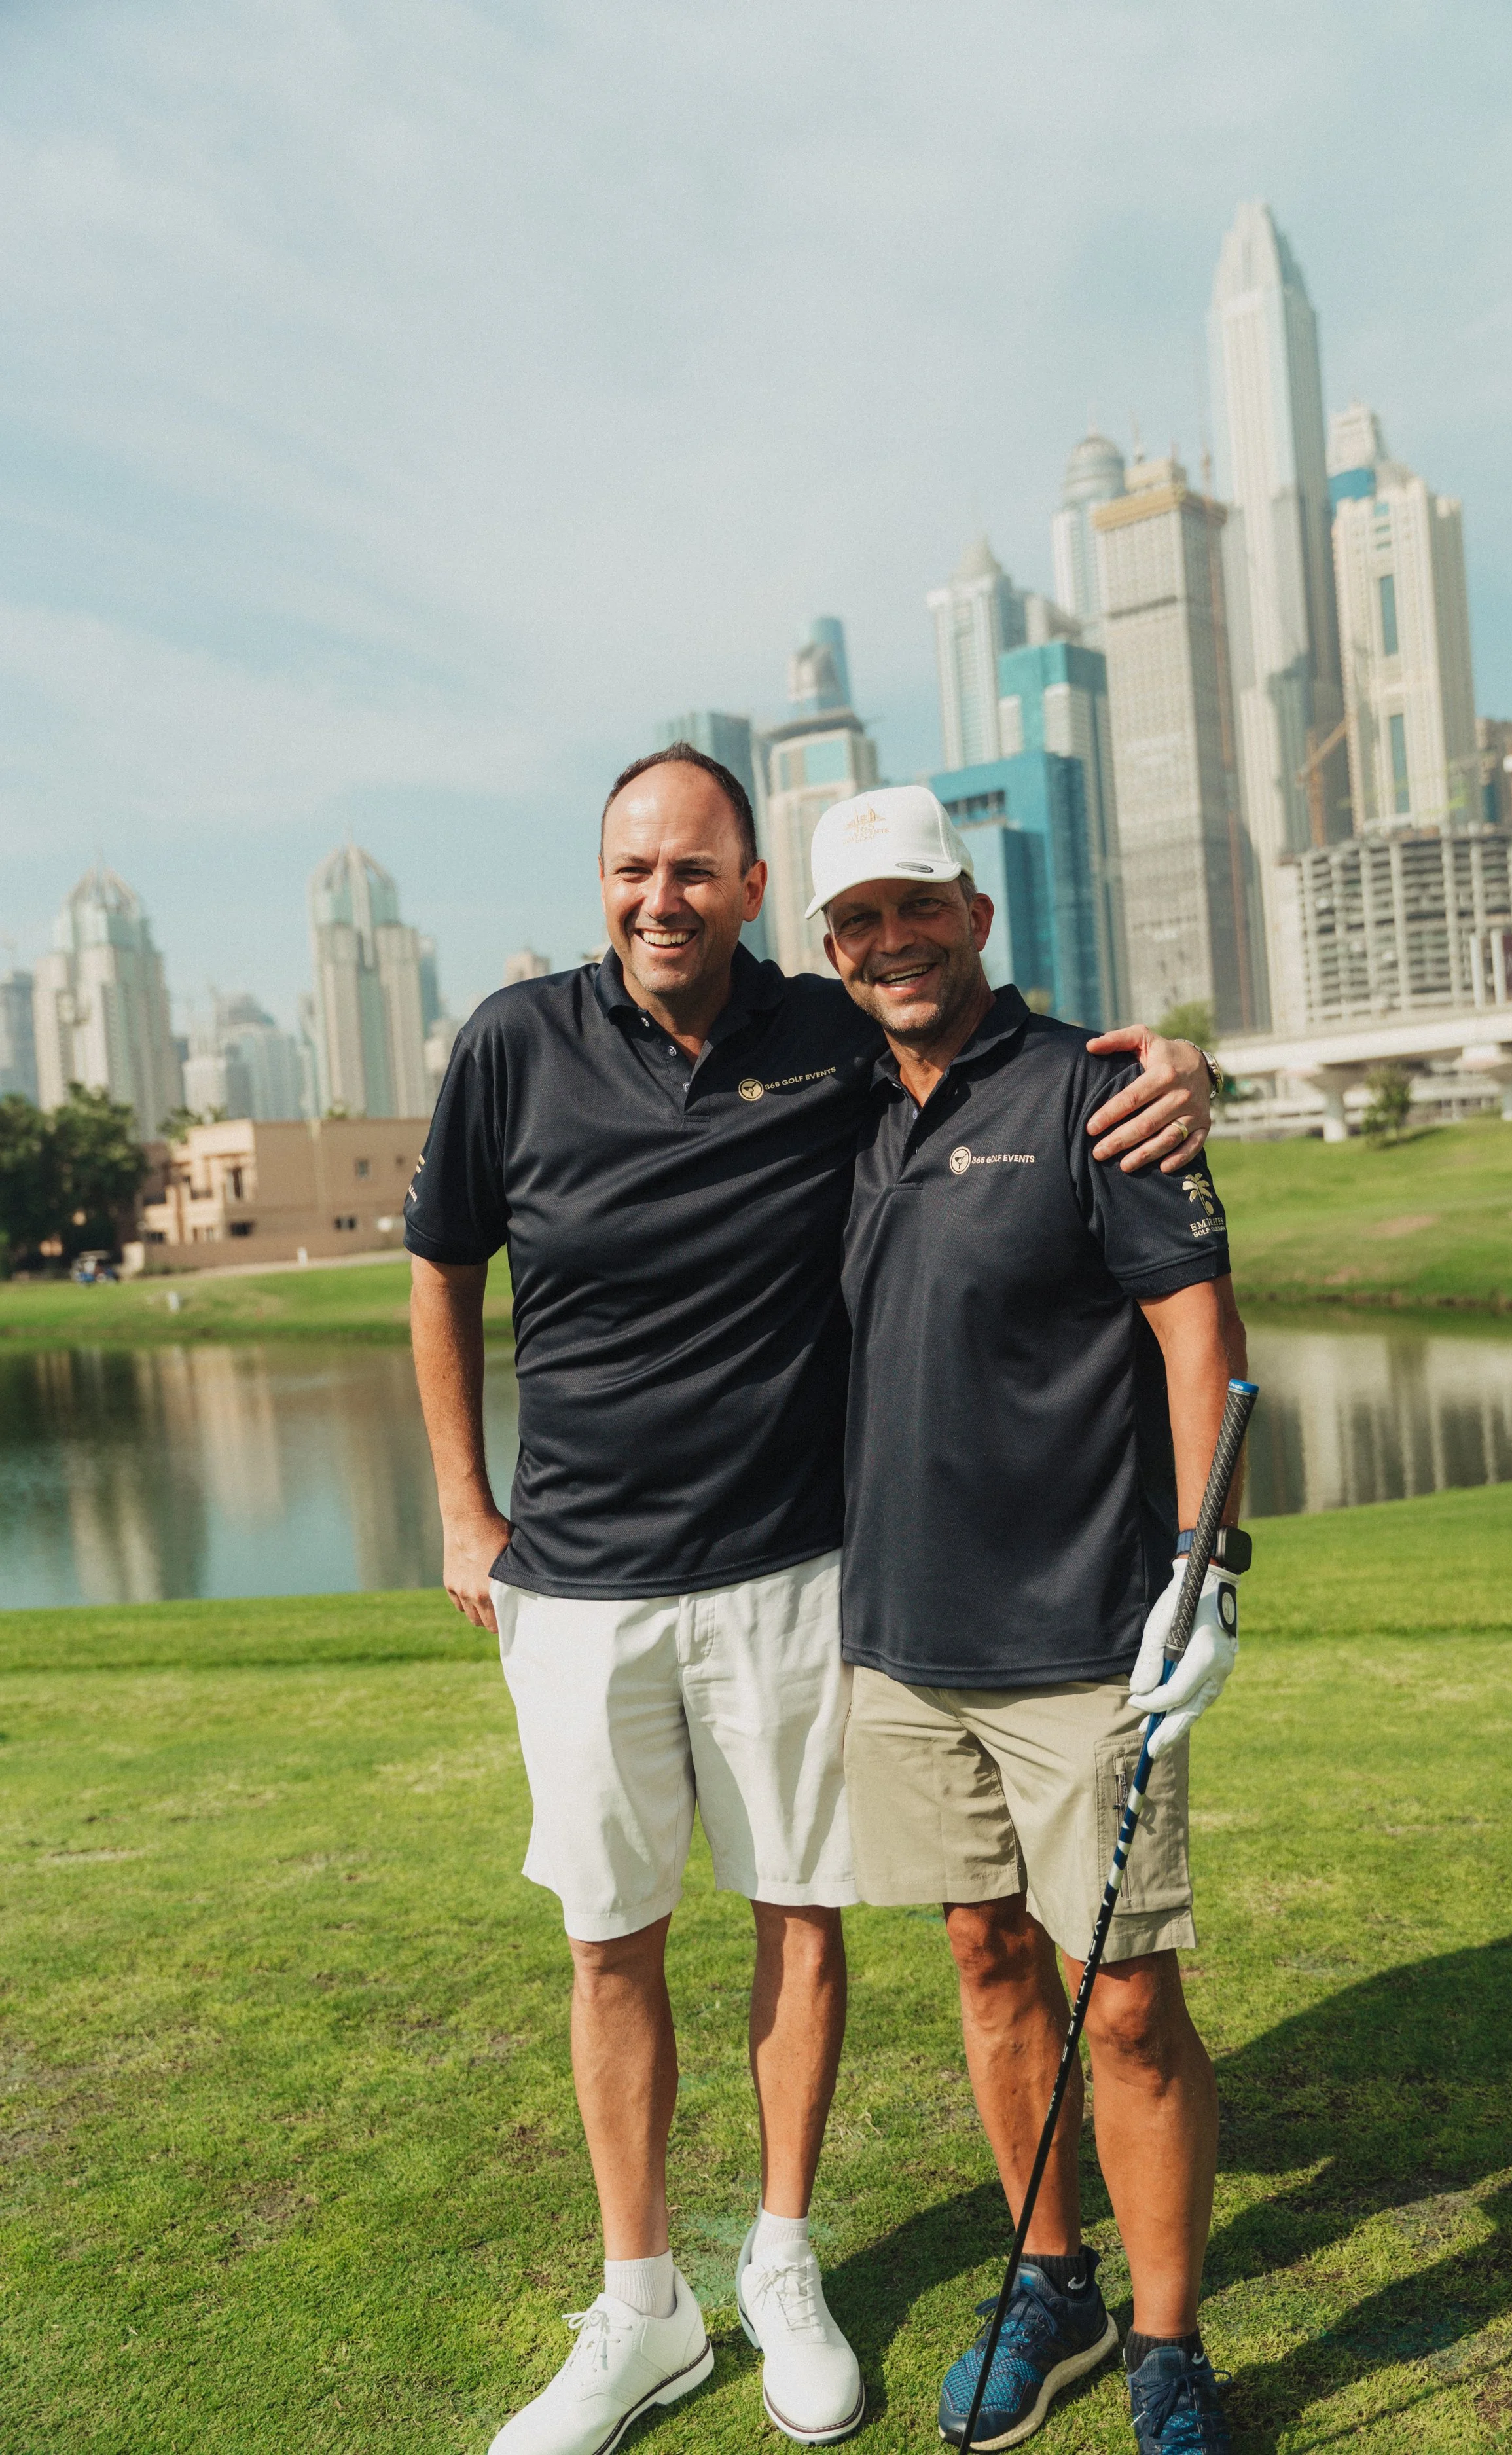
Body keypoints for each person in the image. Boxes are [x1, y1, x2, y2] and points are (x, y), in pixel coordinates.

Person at [405, 745, 1217, 2455]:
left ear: (752, 891)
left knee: (844, 1922)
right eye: (631, 866)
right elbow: (439, 1258)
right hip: (618, 1588)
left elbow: (1029, 1073)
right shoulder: (517, 1042)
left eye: (695, 867)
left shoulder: (838, 1032)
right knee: (639, 1934)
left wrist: (1177, 1065)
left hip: (807, 1577)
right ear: (602, 877)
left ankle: (803, 2263)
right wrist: (461, 1500)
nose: (659, 894)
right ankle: (641, 2308)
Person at [812, 785, 1248, 2454]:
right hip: (902, 1642)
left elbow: (1195, 1333)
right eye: (858, 920)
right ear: (833, 949)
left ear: (975, 915)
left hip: (1084, 1635)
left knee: (1123, 1997)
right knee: (988, 1962)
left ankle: (1164, 2347)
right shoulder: (840, 1102)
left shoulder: (1096, 1088)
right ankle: (1048, 2277)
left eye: (916, 906)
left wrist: (1208, 1574)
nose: (891, 941)